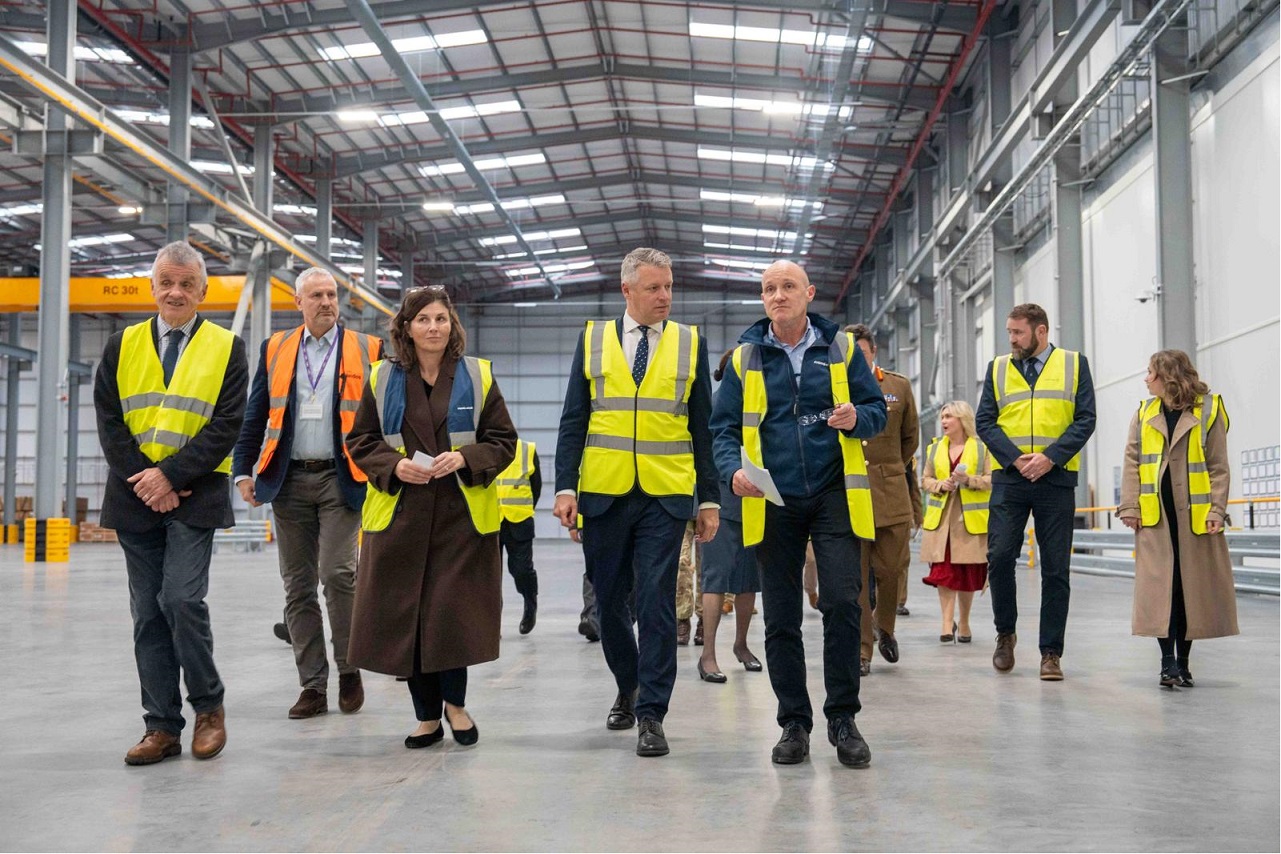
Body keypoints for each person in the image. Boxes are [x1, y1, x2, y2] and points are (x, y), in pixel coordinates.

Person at [710, 260, 886, 768]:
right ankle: (793, 722)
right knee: (781, 616)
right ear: (762, 299)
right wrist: (731, 472)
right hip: (772, 499)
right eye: (769, 289)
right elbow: (722, 430)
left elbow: (876, 410)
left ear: (808, 293)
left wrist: (857, 418)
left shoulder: (841, 348)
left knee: (841, 604)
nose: (778, 295)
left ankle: (843, 718)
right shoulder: (745, 358)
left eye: (788, 286)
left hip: (832, 493)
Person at [553, 247, 720, 758]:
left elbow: (703, 429)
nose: (665, 296)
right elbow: (573, 420)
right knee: (608, 606)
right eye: (653, 287)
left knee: (655, 602)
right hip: (604, 493)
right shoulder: (594, 338)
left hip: (665, 496)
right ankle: (627, 685)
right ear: (627, 291)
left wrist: (709, 499)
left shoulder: (691, 343)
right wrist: (565, 487)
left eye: (669, 286)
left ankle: (651, 712)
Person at [93, 241, 248, 766]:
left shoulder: (229, 347)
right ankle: (161, 727)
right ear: (152, 286)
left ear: (203, 290)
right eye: (167, 282)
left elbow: (227, 425)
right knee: (146, 615)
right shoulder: (122, 344)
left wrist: (171, 475)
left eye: (186, 284)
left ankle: (209, 707)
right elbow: (110, 422)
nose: (176, 292)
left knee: (180, 600)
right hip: (136, 494)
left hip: (195, 493)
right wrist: (148, 480)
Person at [345, 286, 517, 749]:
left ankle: (455, 707)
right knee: (411, 619)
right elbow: (360, 441)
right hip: (400, 515)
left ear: (452, 325)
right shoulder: (381, 377)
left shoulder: (478, 375)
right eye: (423, 320)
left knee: (450, 616)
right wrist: (392, 466)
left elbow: (503, 440)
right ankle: (425, 716)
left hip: (460, 518)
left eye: (441, 319)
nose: (434, 327)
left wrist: (465, 458)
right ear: (406, 327)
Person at [232, 267, 382, 720]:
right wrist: (243, 470)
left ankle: (350, 669)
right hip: (288, 480)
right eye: (316, 295)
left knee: (338, 574)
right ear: (298, 302)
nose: (326, 302)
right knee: (297, 586)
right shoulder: (276, 348)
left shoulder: (367, 348)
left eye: (332, 294)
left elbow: (384, 416)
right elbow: (256, 412)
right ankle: (312, 685)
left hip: (344, 479)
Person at [976, 302, 1096, 681]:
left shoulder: (1075, 365)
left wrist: (1050, 458)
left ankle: (1050, 653)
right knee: (999, 558)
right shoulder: (997, 368)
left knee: (1056, 569)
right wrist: (1014, 459)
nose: (1011, 339)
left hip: (1055, 479)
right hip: (1011, 479)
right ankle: (1005, 634)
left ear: (1040, 332)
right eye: (1009, 332)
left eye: (1018, 332)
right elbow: (985, 421)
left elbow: (1085, 419)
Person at [1117, 350, 1237, 687]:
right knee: (1161, 592)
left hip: (1195, 518)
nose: (1145, 379)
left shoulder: (1209, 409)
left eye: (1150, 372)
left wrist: (1216, 509)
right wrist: (1130, 506)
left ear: (1167, 376)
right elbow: (1132, 461)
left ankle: (1183, 664)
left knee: (1190, 592)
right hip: (1155, 517)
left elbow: (1218, 466)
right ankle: (1166, 662)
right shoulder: (1144, 412)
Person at [845, 323, 919, 676]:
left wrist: (888, 470)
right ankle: (862, 650)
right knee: (856, 579)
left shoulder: (898, 386)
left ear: (872, 351)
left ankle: (884, 626)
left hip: (891, 493)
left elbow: (910, 439)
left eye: (861, 352)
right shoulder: (833, 386)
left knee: (891, 570)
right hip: (849, 493)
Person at [696, 349, 763, 684]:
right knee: (716, 578)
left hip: (753, 500)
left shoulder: (757, 399)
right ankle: (707, 654)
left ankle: (741, 645)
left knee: (748, 578)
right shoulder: (719, 402)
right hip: (721, 500)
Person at [920, 401, 993, 644]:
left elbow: (991, 480)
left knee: (967, 573)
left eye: (949, 416)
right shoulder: (934, 449)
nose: (944, 421)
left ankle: (963, 622)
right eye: (942, 417)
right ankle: (945, 623)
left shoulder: (982, 449)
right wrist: (941, 485)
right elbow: (926, 480)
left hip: (969, 521)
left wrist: (968, 479)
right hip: (941, 522)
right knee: (944, 572)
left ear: (962, 420)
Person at [496, 437, 542, 634]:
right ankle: (492, 623)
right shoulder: (480, 446)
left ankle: (530, 605)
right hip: (489, 520)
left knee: (521, 570)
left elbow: (536, 486)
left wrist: (525, 508)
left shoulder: (527, 449)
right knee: (489, 576)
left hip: (519, 519)